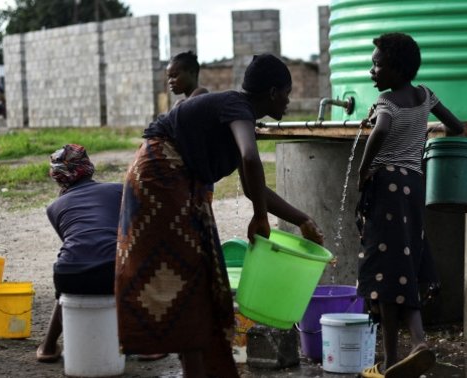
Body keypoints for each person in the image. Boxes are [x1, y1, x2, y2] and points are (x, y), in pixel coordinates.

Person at [116, 53, 324, 378]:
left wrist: (301, 219)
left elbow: (253, 184)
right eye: (286, 92)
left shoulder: (237, 113)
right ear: (272, 92)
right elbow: (250, 158)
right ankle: (193, 366)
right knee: (189, 273)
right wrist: (260, 218)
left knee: (203, 275)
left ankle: (200, 367)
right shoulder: (237, 107)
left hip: (179, 180)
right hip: (160, 177)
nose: (289, 99)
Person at [355, 32, 463, 378]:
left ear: (396, 69)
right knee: (408, 260)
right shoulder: (424, 95)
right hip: (414, 186)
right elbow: (455, 126)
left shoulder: (387, 102)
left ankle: (391, 360)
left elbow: (382, 129)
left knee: (385, 269)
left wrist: (364, 169)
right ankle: (415, 344)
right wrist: (420, 134)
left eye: (377, 64)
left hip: (386, 185)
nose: (372, 70)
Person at [38, 144, 121, 363]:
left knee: (65, 291)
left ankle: (47, 347)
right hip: (114, 272)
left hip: (68, 275)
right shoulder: (118, 190)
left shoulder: (54, 207)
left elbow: (77, 245)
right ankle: (148, 347)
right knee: (138, 277)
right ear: (88, 167)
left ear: (57, 177)